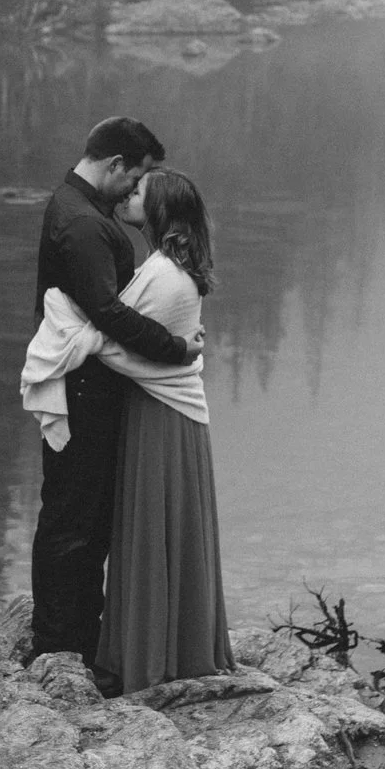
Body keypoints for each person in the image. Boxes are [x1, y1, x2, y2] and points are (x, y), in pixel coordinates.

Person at [27, 116, 198, 685]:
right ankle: (58, 646)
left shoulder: (80, 211)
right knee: (74, 520)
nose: (135, 190)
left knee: (85, 517)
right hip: (82, 392)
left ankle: (75, 639)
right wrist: (175, 350)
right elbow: (108, 313)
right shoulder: (82, 224)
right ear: (116, 165)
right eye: (138, 177)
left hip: (88, 389)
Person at [96, 170, 233, 695]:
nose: (129, 195)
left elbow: (121, 348)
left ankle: (152, 658)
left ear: (159, 212)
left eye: (139, 193)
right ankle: (170, 646)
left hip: (160, 415)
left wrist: (73, 331)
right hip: (168, 413)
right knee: (162, 530)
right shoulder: (172, 268)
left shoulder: (162, 274)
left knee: (154, 529)